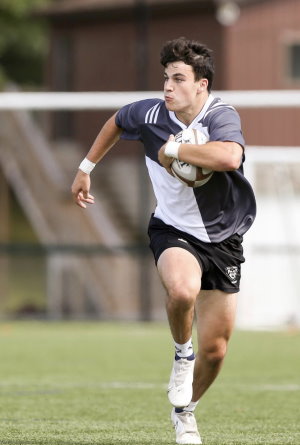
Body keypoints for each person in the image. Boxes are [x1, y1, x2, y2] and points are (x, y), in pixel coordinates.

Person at [71, 37, 256, 445]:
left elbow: (229, 158)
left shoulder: (220, 114)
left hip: (224, 238)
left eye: (177, 79)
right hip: (172, 228)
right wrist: (86, 168)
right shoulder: (151, 113)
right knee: (182, 289)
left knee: (217, 351)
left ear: (201, 85)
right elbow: (118, 121)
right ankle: (180, 352)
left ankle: (184, 412)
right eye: (165, 78)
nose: (168, 87)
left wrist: (179, 150)